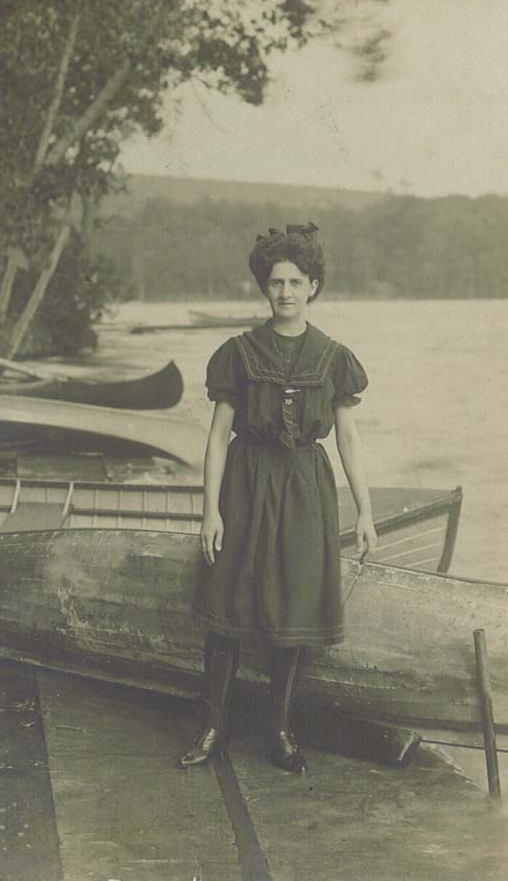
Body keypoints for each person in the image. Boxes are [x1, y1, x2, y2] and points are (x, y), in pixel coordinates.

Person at [179, 223, 377, 774]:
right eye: (275, 282)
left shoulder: (334, 357)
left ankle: (281, 732)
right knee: (227, 602)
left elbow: (348, 438)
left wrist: (365, 511)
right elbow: (218, 436)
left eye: (295, 282)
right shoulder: (239, 353)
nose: (285, 292)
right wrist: (211, 510)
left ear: (313, 286)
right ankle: (213, 726)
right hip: (245, 482)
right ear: (263, 287)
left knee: (295, 604)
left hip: (306, 489)